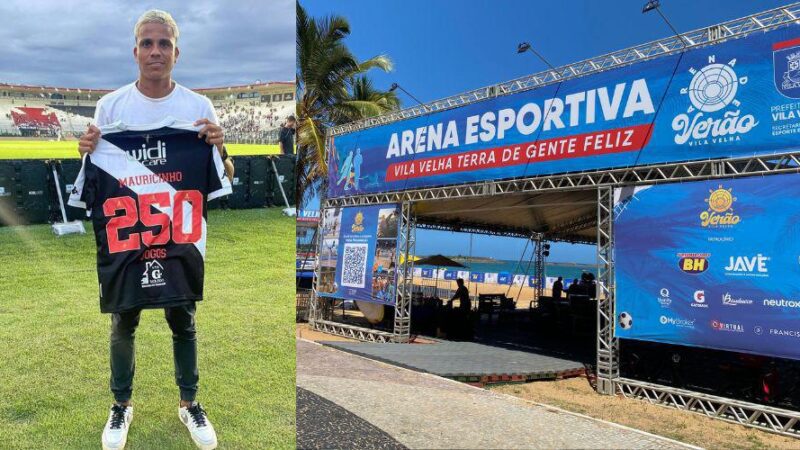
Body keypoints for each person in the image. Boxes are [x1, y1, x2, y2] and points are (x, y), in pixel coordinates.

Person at [78, 10, 220, 450]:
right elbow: (93, 176)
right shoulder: (111, 107)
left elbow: (222, 174)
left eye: (163, 44)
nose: (155, 51)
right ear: (135, 51)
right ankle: (121, 406)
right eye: (146, 43)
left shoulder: (199, 108)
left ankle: (189, 403)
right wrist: (86, 149)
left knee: (185, 320)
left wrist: (219, 145)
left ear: (176, 52)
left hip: (177, 235)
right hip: (128, 235)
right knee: (124, 321)